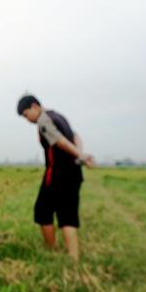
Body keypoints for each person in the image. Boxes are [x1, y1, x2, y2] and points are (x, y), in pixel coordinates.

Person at [17, 94, 95, 260]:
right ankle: (74, 257)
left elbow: (60, 141)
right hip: (74, 173)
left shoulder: (44, 120)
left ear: (34, 106)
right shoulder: (59, 116)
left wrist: (80, 155)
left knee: (42, 211)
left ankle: (51, 251)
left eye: (25, 114)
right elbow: (76, 136)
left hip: (57, 175)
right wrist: (79, 155)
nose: (27, 119)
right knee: (68, 215)